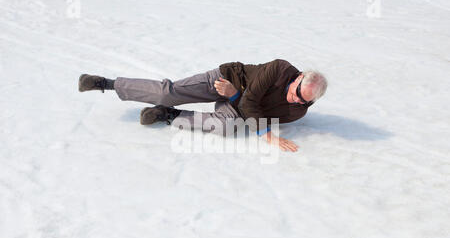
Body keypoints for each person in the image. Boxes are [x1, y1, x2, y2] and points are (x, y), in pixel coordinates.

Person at [78, 59, 327, 152]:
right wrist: (268, 136)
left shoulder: (297, 111)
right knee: (169, 92)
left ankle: (168, 115)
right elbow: (252, 104)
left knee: (227, 127)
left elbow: (253, 114)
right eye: (297, 93)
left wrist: (233, 98)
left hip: (234, 100)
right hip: (224, 79)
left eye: (304, 101)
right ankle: (106, 83)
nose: (296, 100)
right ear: (298, 77)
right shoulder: (280, 68)